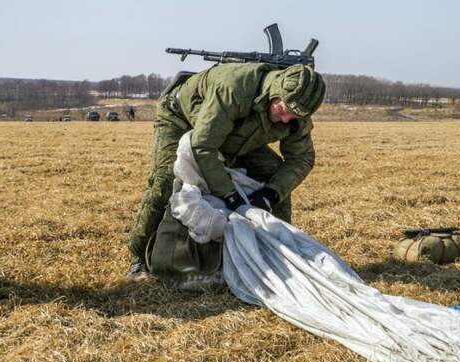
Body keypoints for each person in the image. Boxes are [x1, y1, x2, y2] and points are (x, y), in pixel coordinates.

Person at [127, 63, 326, 277]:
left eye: (294, 116)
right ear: (275, 92)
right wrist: (230, 195)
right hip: (182, 119)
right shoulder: (234, 88)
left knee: (274, 176)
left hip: (236, 136)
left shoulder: (297, 110)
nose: (287, 119)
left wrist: (271, 193)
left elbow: (302, 158)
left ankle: (278, 253)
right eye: (283, 110)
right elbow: (202, 146)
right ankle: (138, 257)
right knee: (166, 178)